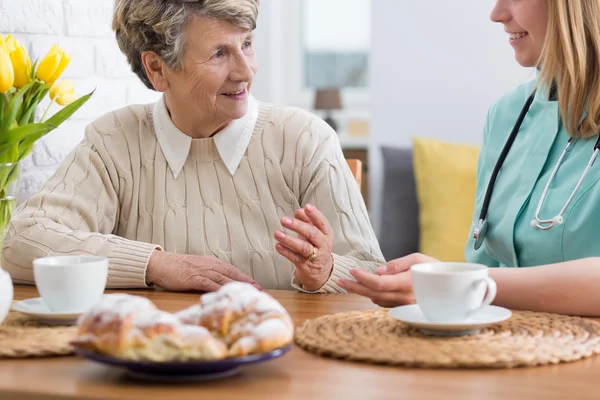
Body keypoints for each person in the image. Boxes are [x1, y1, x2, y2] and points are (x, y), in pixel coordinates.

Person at [2, 0, 384, 293]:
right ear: (157, 69)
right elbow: (19, 242)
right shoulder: (114, 140)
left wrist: (325, 270)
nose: (246, 71)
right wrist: (155, 264)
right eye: (220, 53)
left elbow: (371, 274)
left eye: (247, 44)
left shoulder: (306, 139)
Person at [338, 0, 600, 316]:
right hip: (499, 349)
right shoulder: (506, 115)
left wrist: (461, 283)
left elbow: (479, 281)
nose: (497, 14)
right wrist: (441, 282)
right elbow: (484, 267)